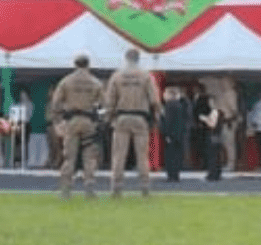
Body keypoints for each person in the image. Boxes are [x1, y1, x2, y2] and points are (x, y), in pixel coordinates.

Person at [104, 49, 162, 197]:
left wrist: (110, 118)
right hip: (140, 118)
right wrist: (155, 118)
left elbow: (110, 100)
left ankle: (116, 188)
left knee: (119, 155)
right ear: (138, 59)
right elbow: (154, 100)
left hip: (122, 117)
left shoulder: (117, 76)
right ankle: (145, 187)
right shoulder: (146, 76)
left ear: (125, 58)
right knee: (142, 155)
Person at [50, 54, 103, 198]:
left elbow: (56, 103)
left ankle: (66, 189)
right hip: (88, 121)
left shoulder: (66, 81)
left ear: (75, 65)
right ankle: (89, 188)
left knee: (69, 157)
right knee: (89, 156)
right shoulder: (95, 82)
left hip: (71, 121)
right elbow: (104, 104)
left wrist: (57, 122)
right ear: (88, 65)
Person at [158, 86, 191, 182]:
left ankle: (171, 175)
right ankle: (175, 175)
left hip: (171, 135)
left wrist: (167, 134)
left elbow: (168, 121)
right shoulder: (181, 105)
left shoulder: (169, 106)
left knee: (170, 156)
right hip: (179, 135)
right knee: (177, 155)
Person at [193, 83, 219, 181]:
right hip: (211, 133)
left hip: (211, 133)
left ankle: (212, 174)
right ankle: (213, 172)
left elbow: (212, 123)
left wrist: (203, 119)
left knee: (212, 154)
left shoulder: (214, 111)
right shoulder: (214, 110)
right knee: (212, 154)